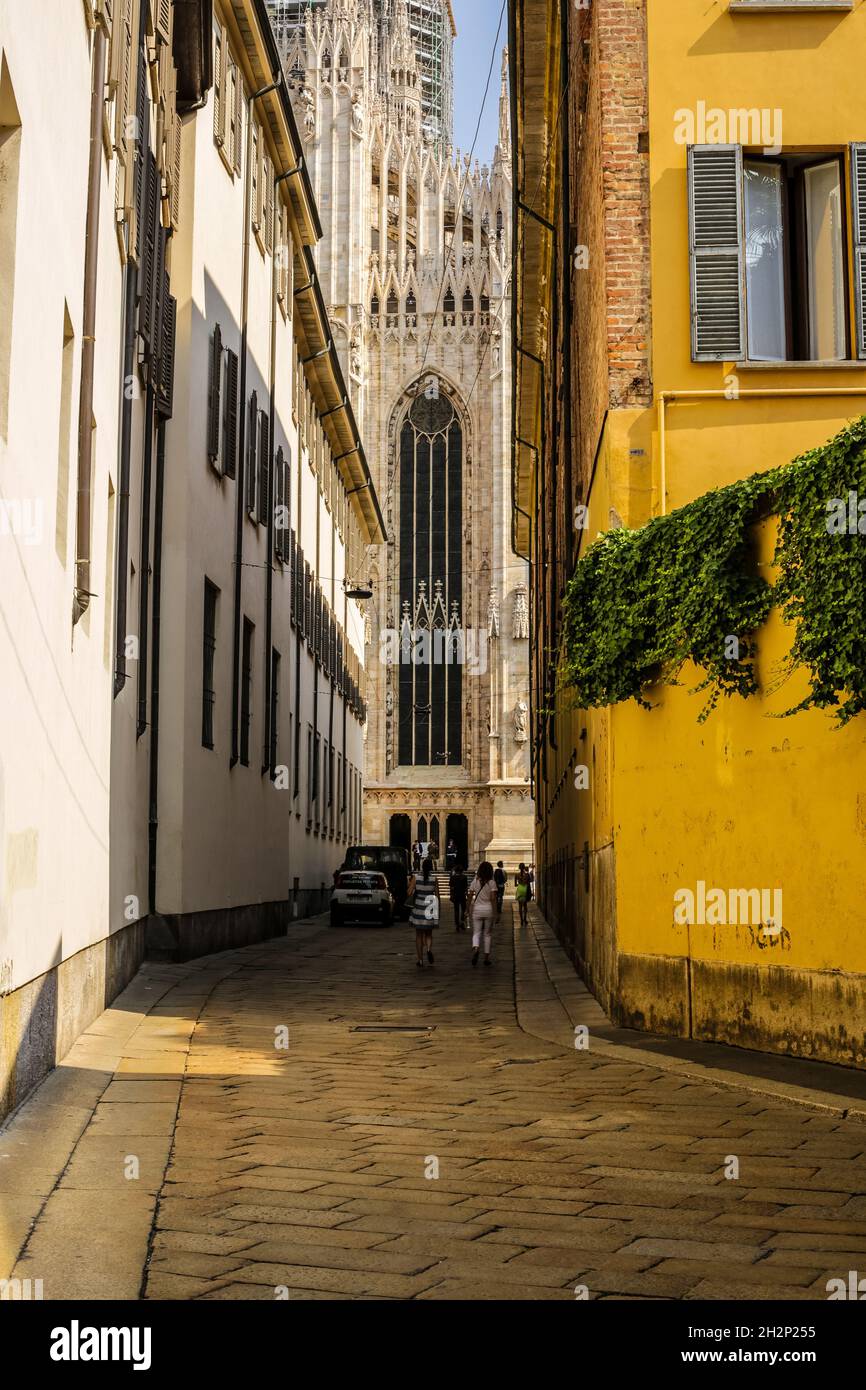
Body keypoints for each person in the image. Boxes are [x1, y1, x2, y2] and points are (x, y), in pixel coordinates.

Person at [467, 861, 500, 968]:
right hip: (488, 910)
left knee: (476, 932)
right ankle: (486, 958)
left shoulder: (475, 882)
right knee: (487, 934)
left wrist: (467, 909)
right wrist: (496, 913)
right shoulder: (492, 883)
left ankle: (476, 948)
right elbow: (493, 899)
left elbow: (470, 896)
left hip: (477, 909)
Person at [411, 856, 440, 968]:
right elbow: (437, 896)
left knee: (419, 935)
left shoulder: (416, 878)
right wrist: (437, 913)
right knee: (429, 934)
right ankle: (428, 949)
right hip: (430, 909)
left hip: (418, 909)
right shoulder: (434, 879)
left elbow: (409, 892)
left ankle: (420, 960)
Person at [449, 863, 469, 932]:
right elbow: (466, 887)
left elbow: (451, 888)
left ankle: (457, 924)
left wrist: (451, 895)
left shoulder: (452, 877)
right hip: (462, 895)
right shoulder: (464, 877)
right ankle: (462, 922)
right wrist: (467, 894)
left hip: (455, 895)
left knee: (456, 910)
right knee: (463, 909)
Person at [515, 863, 531, 929]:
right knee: (525, 906)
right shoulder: (527, 874)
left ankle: (521, 920)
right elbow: (529, 883)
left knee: (520, 906)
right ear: (524, 867)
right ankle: (525, 919)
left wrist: (520, 884)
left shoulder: (517, 875)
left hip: (519, 890)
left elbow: (515, 884)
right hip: (525, 890)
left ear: (519, 868)